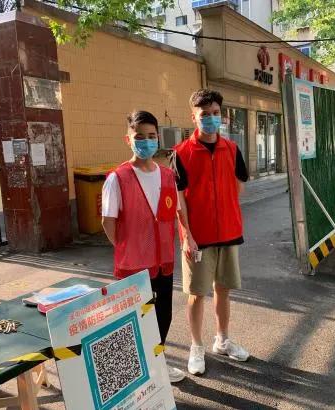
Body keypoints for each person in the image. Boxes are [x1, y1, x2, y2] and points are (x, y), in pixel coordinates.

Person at [101, 110, 185, 383]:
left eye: (151, 136)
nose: (146, 142)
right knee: (135, 320)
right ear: (128, 139)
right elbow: (108, 221)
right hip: (134, 267)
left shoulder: (167, 175)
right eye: (139, 137)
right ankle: (137, 374)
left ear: (157, 138)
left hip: (164, 263)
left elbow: (173, 212)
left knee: (163, 316)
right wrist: (126, 248)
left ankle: (156, 364)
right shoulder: (118, 178)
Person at [174, 89, 250, 375]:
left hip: (229, 233)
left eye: (215, 113)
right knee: (196, 294)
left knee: (223, 290)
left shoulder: (232, 149)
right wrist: (187, 236)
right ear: (193, 117)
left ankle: (223, 339)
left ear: (222, 115)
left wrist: (225, 211)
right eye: (204, 114)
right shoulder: (181, 153)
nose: (211, 118)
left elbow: (239, 185)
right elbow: (178, 200)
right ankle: (196, 346)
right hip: (198, 239)